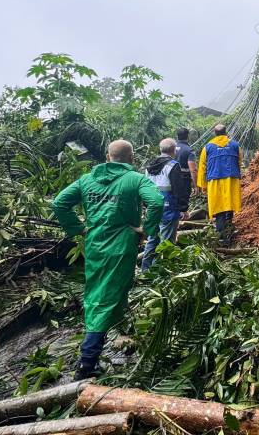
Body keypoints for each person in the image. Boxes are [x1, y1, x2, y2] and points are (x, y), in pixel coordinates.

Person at [52, 139, 165, 380]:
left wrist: (77, 229)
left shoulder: (86, 180)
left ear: (107, 156)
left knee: (102, 292)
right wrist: (147, 230)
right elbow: (156, 202)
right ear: (131, 157)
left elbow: (59, 203)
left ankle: (119, 333)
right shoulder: (134, 179)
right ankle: (87, 362)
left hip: (94, 245)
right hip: (121, 245)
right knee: (104, 299)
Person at [141, 138, 191, 269]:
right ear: (174, 150)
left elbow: (145, 188)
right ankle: (159, 271)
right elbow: (179, 189)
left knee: (152, 239)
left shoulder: (149, 166)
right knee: (167, 241)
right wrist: (183, 209)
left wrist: (146, 207)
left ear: (160, 149)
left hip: (152, 207)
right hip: (168, 207)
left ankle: (145, 269)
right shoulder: (173, 166)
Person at [196, 123, 242, 246]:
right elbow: (239, 161)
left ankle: (221, 235)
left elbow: (202, 167)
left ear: (215, 133)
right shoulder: (235, 145)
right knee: (229, 205)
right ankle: (228, 230)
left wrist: (202, 185)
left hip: (215, 181)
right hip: (231, 180)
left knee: (219, 207)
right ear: (226, 132)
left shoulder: (207, 147)